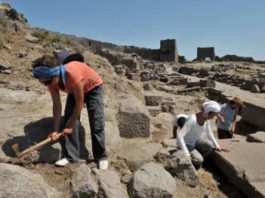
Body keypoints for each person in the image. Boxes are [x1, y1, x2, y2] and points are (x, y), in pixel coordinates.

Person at [32, 53, 108, 169]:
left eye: (47, 82)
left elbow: (80, 102)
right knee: (68, 119)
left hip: (93, 87)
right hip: (74, 90)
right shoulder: (51, 80)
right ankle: (71, 157)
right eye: (44, 83)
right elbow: (57, 106)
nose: (47, 85)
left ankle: (101, 157)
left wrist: (71, 125)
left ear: (56, 74)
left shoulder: (72, 74)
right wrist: (55, 130)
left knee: (96, 122)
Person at [177, 100, 229, 169]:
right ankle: (193, 165)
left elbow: (210, 133)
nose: (213, 118)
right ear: (208, 113)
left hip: (195, 140)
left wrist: (217, 146)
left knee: (210, 146)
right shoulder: (192, 120)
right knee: (199, 159)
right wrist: (186, 153)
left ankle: (198, 160)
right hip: (186, 143)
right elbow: (180, 135)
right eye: (213, 115)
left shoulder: (206, 120)